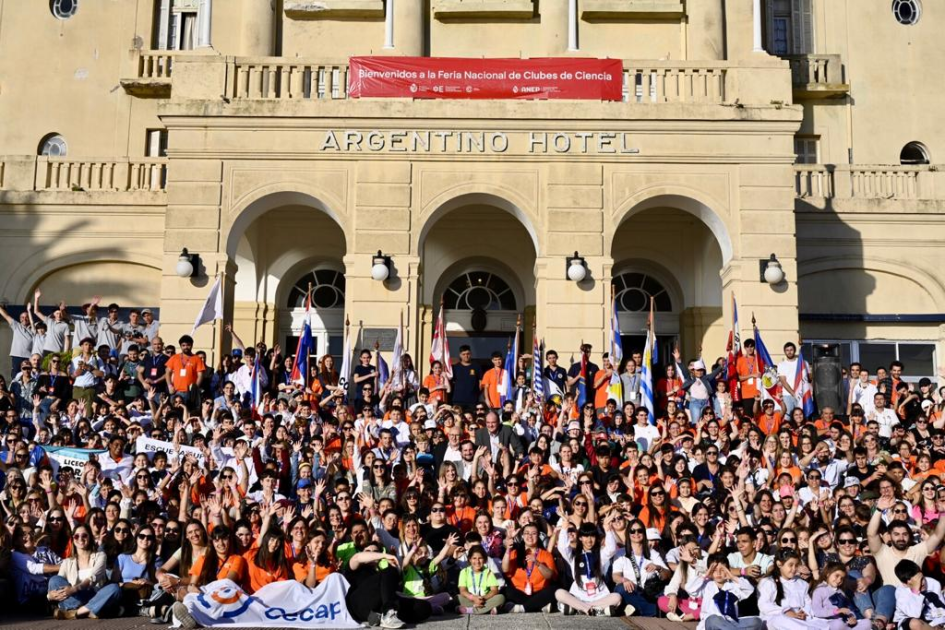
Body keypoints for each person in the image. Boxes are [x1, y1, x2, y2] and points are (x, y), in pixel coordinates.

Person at [46, 523, 123, 619]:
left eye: (84, 535)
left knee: (114, 588)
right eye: (76, 536)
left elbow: (94, 578)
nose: (80, 539)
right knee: (54, 580)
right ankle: (90, 610)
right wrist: (50, 596)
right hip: (76, 597)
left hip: (95, 595)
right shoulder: (67, 562)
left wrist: (74, 589)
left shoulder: (100, 555)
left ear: (90, 537)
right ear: (73, 539)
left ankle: (76, 612)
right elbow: (59, 586)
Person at [458, 544, 505, 614]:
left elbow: (494, 590)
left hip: (485, 600)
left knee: (501, 598)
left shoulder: (488, 572)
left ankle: (471, 610)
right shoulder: (464, 572)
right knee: (458, 598)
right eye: (474, 558)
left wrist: (483, 598)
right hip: (470, 599)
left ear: (485, 559)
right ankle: (487, 609)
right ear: (469, 559)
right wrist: (473, 598)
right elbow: (463, 591)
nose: (477, 561)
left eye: (480, 558)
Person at [0, 302, 34, 379]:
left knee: (28, 376)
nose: (24, 319)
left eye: (26, 317)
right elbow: (6, 316)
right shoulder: (16, 326)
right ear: (20, 319)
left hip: (28, 357)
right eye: (22, 317)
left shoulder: (33, 329)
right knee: (15, 376)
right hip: (17, 356)